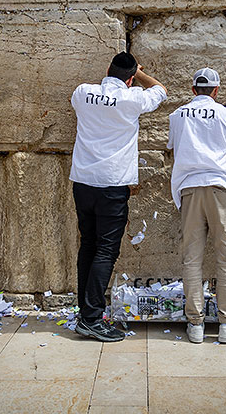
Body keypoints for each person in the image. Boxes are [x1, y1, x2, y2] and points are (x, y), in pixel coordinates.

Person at [71, 52, 167, 342]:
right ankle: (90, 318)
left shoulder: (82, 93)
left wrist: (126, 73)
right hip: (112, 184)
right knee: (106, 250)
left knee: (88, 245)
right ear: (129, 78)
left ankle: (84, 312)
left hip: (83, 182)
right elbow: (161, 90)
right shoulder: (132, 98)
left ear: (107, 70)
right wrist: (138, 73)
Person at [167, 67, 226, 344]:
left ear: (192, 90)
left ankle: (196, 324)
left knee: (192, 258)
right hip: (220, 188)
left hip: (189, 189)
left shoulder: (177, 115)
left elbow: (175, 150)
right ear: (216, 91)